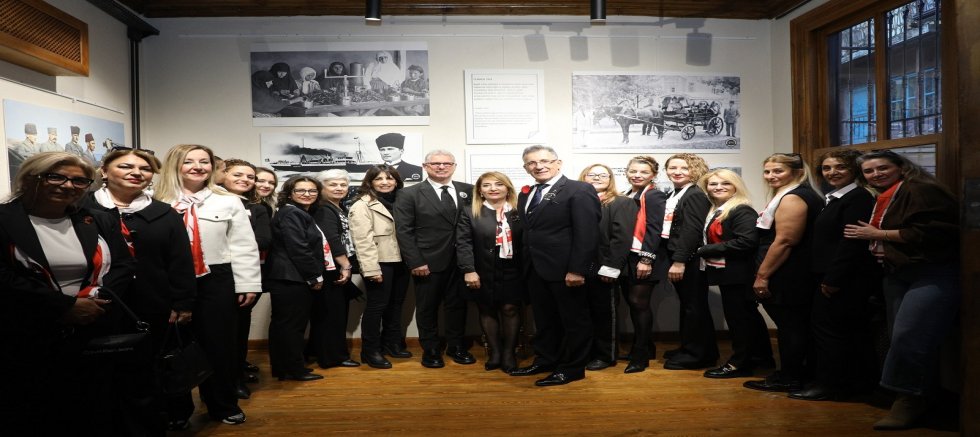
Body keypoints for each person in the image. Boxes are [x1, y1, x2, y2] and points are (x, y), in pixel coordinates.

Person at [0, 152, 135, 433]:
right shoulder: (4, 220)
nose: (68, 185)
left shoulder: (97, 220)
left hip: (93, 329)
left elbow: (122, 265)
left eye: (79, 180)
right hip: (27, 332)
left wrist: (96, 302)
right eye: (56, 176)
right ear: (29, 179)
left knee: (91, 408)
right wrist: (64, 307)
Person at [83, 148, 197, 435]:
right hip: (97, 305)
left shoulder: (163, 213)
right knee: (100, 375)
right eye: (126, 166)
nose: (137, 172)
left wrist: (183, 302)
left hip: (152, 304)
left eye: (145, 169)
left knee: (146, 373)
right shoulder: (82, 208)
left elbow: (180, 261)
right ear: (104, 172)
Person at [843, 150, 959, 430]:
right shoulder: (886, 194)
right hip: (897, 273)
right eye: (869, 171)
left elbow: (937, 232)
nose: (876, 174)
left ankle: (907, 401)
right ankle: (920, 397)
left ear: (901, 167)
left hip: (931, 271)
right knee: (903, 337)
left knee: (910, 336)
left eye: (882, 168)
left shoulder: (921, 189)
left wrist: (877, 235)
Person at [154, 144, 260, 427]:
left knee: (220, 346)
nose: (198, 167)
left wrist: (247, 283)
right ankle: (176, 410)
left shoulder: (228, 201)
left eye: (205, 162)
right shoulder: (156, 201)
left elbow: (243, 246)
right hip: (171, 281)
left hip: (216, 279)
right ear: (175, 164)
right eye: (189, 161)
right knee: (173, 347)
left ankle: (222, 405)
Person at [786, 149, 879, 401]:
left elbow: (851, 244)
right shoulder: (834, 197)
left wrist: (833, 279)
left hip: (842, 279)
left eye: (840, 167)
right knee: (831, 331)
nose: (832, 173)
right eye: (827, 168)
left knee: (832, 333)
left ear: (854, 170)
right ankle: (839, 382)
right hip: (827, 275)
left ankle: (831, 385)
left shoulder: (857, 198)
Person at [510, 145, 600, 386]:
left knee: (573, 321)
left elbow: (587, 233)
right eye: (531, 163)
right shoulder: (526, 193)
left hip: (566, 270)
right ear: (525, 167)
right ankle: (545, 360)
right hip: (535, 269)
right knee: (545, 320)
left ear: (558, 163)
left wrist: (578, 269)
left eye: (545, 161)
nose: (539, 166)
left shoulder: (579, 190)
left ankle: (572, 369)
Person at [743, 153, 823, 393]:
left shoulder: (794, 198)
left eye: (778, 171)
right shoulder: (791, 195)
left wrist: (762, 275)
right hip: (791, 272)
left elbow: (786, 241)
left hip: (788, 274)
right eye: (767, 171)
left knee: (791, 327)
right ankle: (795, 373)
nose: (770, 176)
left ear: (797, 172)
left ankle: (790, 377)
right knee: (793, 327)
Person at [394, 150, 475, 368]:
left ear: (454, 165)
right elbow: (404, 231)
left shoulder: (469, 190)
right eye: (435, 163)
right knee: (427, 307)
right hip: (427, 262)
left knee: (457, 306)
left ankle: (456, 346)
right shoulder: (409, 194)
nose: (441, 167)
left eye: (446, 163)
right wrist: (416, 261)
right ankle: (430, 349)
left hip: (462, 261)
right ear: (425, 166)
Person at [696, 169, 773, 379]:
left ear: (735, 186)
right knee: (747, 317)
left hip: (738, 273)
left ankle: (740, 364)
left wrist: (705, 250)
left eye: (725, 183)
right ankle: (761, 358)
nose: (718, 187)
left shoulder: (740, 209)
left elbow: (747, 242)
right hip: (729, 273)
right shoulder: (718, 209)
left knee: (739, 319)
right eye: (713, 184)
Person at [457, 171, 525, 373]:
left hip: (513, 268)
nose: (493, 188)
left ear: (508, 188)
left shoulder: (519, 211)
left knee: (510, 309)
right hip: (482, 268)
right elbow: (463, 243)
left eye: (498, 184)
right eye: (486, 185)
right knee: (487, 309)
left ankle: (508, 354)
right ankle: (495, 352)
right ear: (480, 190)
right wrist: (469, 270)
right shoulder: (470, 212)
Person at [265, 175, 329, 382]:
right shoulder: (291, 213)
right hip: (291, 279)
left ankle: (285, 368)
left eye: (312, 191)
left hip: (290, 277)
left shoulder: (297, 212)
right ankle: (293, 369)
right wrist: (314, 276)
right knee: (290, 326)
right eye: (301, 190)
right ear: (290, 193)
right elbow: (299, 248)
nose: (307, 194)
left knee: (286, 325)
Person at [218, 159, 272, 399]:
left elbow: (263, 240)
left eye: (250, 177)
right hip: (214, 277)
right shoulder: (207, 203)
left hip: (246, 276)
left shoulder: (257, 208)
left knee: (238, 333)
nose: (245, 180)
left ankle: (235, 377)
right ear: (223, 175)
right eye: (238, 174)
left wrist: (225, 248)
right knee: (216, 333)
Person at [661, 153, 718, 370]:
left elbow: (691, 230)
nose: (676, 172)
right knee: (688, 306)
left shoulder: (694, 194)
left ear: (694, 170)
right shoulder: (678, 192)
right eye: (672, 168)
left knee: (695, 307)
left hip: (689, 259)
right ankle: (689, 347)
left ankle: (699, 355)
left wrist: (679, 261)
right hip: (681, 256)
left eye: (683, 168)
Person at [349, 165, 408, 369]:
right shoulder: (362, 205)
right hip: (379, 261)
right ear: (370, 182)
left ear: (397, 181)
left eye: (390, 178)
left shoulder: (401, 201)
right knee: (376, 307)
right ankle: (370, 351)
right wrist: (371, 269)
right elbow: (362, 241)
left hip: (402, 260)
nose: (385, 182)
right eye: (379, 179)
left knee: (396, 304)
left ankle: (391, 343)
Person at [578, 164, 634, 372]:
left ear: (610, 179)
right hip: (577, 267)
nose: (597, 178)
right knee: (582, 314)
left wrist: (611, 268)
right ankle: (586, 353)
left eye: (603, 175)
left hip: (604, 267)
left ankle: (606, 355)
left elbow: (622, 239)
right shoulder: (576, 201)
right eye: (592, 174)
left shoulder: (622, 203)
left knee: (604, 314)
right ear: (583, 177)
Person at [618, 156, 669, 373]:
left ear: (653, 175)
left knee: (639, 303)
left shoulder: (654, 194)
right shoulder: (628, 194)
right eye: (633, 171)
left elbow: (654, 227)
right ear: (627, 172)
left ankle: (640, 356)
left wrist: (646, 259)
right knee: (633, 303)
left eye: (643, 172)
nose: (637, 175)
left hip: (646, 256)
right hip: (630, 255)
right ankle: (646, 347)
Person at [309, 169, 359, 369]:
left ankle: (315, 351)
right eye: (332, 184)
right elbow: (331, 239)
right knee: (333, 315)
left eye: (343, 185)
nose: (339, 188)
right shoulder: (324, 209)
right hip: (331, 269)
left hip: (334, 266)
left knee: (330, 312)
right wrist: (345, 265)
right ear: (321, 187)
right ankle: (333, 357)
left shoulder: (336, 207)